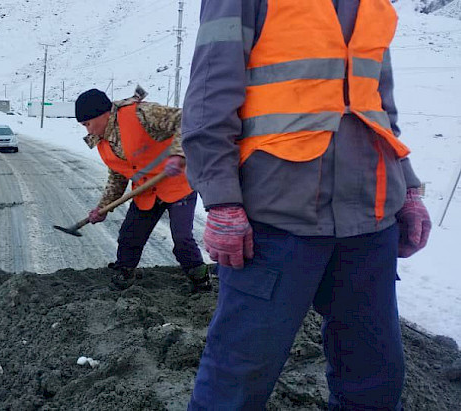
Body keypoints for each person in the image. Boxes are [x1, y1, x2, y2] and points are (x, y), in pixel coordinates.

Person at [181, 0, 432, 409]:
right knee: (236, 380)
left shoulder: (373, 4)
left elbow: (379, 108)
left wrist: (409, 189)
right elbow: (210, 96)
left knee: (375, 381)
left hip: (370, 225)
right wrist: (222, 199)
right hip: (276, 222)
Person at [75, 86, 210, 292]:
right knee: (129, 236)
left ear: (103, 114)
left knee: (182, 239)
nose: (88, 130)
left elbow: (185, 119)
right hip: (145, 192)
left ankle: (200, 280)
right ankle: (125, 272)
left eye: (88, 123)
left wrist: (178, 154)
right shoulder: (103, 142)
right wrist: (103, 208)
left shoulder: (140, 114)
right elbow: (118, 176)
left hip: (177, 183)